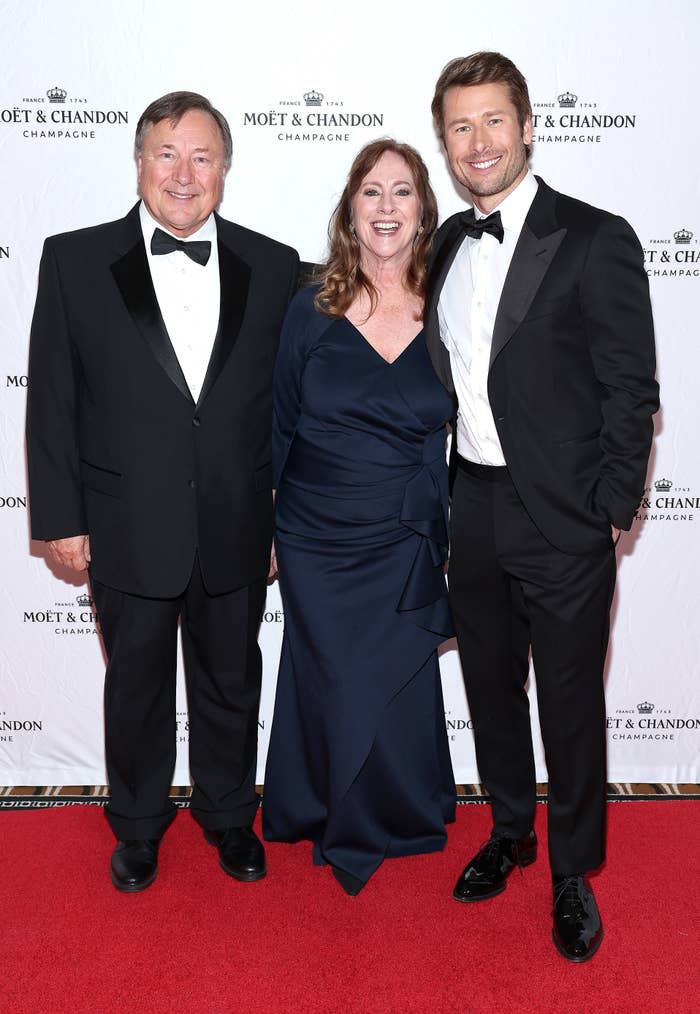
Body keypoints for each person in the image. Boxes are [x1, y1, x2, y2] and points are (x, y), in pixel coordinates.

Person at [26, 91, 299, 892]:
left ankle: (226, 818)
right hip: (123, 522)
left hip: (238, 520)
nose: (185, 174)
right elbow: (51, 400)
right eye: (167, 155)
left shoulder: (275, 265)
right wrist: (61, 518)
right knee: (136, 684)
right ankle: (138, 826)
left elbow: (290, 408)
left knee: (230, 681)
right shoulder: (73, 259)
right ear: (139, 162)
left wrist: (286, 509)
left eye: (203, 156)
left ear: (225, 169)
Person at [426, 53, 658, 960]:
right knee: (488, 691)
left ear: (527, 127)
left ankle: (572, 874)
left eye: (493, 122)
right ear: (445, 141)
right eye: (459, 126)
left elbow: (631, 387)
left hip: (563, 518)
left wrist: (609, 509)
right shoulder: (445, 241)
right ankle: (511, 833)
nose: (477, 143)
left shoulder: (595, 237)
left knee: (567, 702)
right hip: (472, 505)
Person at [262, 139, 456, 895]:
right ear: (350, 208)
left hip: (404, 530)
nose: (385, 207)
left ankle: (406, 806)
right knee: (333, 673)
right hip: (315, 531)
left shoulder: (449, 307)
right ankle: (323, 807)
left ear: (422, 211)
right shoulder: (311, 310)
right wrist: (267, 526)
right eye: (370, 192)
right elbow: (279, 425)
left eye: (401, 192)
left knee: (397, 672)